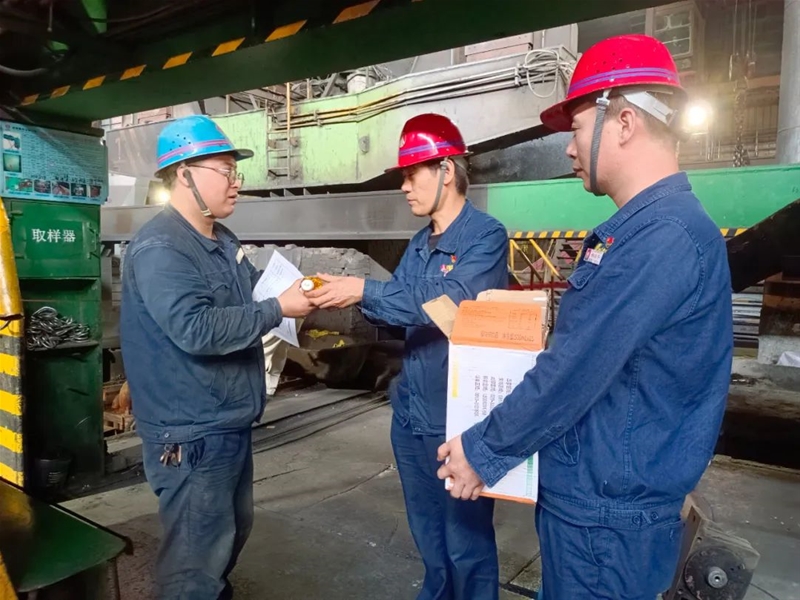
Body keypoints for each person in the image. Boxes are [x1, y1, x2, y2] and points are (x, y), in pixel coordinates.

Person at [437, 34, 734, 599]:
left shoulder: (661, 237)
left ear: (624, 122)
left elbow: (575, 367)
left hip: (605, 526)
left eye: (575, 129)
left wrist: (482, 450)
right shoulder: (649, 231)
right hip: (599, 510)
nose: (569, 150)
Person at [305, 113, 510, 600]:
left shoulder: (485, 236)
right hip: (413, 414)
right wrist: (337, 301)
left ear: (446, 170)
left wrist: (365, 290)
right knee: (429, 536)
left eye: (412, 173)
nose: (404, 186)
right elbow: (398, 311)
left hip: (457, 419)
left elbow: (453, 305)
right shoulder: (419, 244)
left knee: (467, 542)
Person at [119, 115, 314, 600]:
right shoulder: (161, 247)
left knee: (226, 537)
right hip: (190, 432)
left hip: (225, 420)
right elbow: (195, 328)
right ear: (184, 174)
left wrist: (296, 294)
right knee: (194, 563)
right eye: (225, 171)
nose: (236, 183)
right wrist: (277, 308)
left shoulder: (221, 240)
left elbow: (249, 294)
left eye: (235, 171)